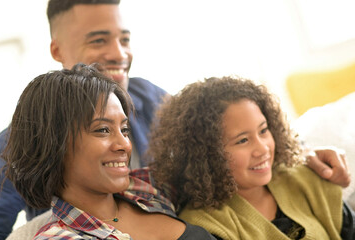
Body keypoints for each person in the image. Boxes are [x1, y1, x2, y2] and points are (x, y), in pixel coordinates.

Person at [0, 0, 350, 238]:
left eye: (124, 39)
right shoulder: (22, 138)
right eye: (99, 40)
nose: (119, 54)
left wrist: (289, 156)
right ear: (57, 49)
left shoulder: (150, 120)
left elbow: (220, 144)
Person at [2, 63, 216, 240]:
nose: (124, 144)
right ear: (53, 144)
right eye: (103, 130)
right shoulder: (59, 237)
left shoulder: (147, 188)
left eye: (124, 129)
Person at [147, 76, 355, 240]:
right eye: (243, 141)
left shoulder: (307, 179)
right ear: (206, 155)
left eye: (263, 130)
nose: (262, 149)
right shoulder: (206, 227)